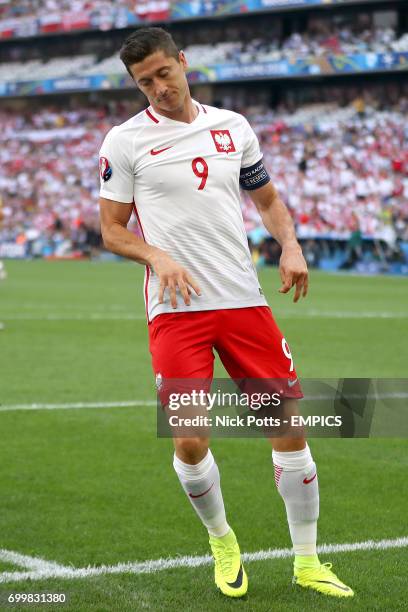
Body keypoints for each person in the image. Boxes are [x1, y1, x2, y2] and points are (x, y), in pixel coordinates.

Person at [98, 27, 353, 600]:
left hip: (243, 303)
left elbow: (266, 200)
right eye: (145, 82)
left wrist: (289, 245)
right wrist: (156, 255)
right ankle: (222, 540)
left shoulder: (233, 127)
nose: (159, 88)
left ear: (183, 63)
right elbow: (112, 231)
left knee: (287, 429)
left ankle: (308, 561)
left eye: (165, 73)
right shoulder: (125, 141)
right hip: (177, 311)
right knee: (188, 440)